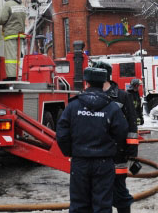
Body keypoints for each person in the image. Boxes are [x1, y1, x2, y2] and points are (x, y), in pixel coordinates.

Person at [56, 67, 128, 213]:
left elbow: (62, 134)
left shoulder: (73, 106)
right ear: (103, 84)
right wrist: (110, 150)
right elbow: (122, 132)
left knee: (79, 205)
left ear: (86, 83)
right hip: (104, 162)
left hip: (80, 162)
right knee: (102, 205)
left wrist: (71, 151)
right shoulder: (112, 108)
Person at [93, 61, 139, 213]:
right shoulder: (92, 96)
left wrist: (132, 150)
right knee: (100, 194)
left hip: (118, 154)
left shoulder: (122, 96)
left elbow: (132, 125)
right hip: (98, 153)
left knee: (119, 191)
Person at [0, 0, 27, 80]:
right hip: (20, 34)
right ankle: (16, 74)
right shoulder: (21, 5)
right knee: (17, 56)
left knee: (10, 56)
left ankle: (11, 76)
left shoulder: (8, 4)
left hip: (10, 34)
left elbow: (2, 19)